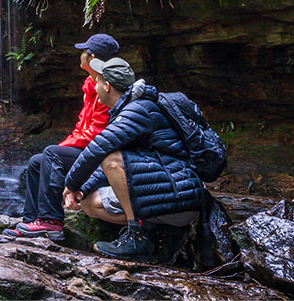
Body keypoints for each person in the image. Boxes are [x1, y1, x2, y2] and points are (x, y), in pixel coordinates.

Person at [62, 57, 204, 262]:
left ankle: (137, 237)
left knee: (111, 159)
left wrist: (71, 184)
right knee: (89, 203)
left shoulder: (137, 111)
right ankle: (157, 233)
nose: (95, 86)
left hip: (179, 197)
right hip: (169, 195)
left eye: (98, 82)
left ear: (107, 86)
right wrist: (82, 188)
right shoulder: (128, 110)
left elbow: (99, 149)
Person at [5, 33, 119, 241]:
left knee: (51, 154)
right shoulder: (90, 85)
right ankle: (31, 220)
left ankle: (51, 221)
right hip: (88, 149)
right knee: (37, 162)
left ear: (92, 58)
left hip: (101, 155)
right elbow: (82, 125)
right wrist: (64, 145)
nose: (80, 55)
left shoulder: (107, 87)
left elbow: (97, 133)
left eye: (84, 51)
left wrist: (61, 149)